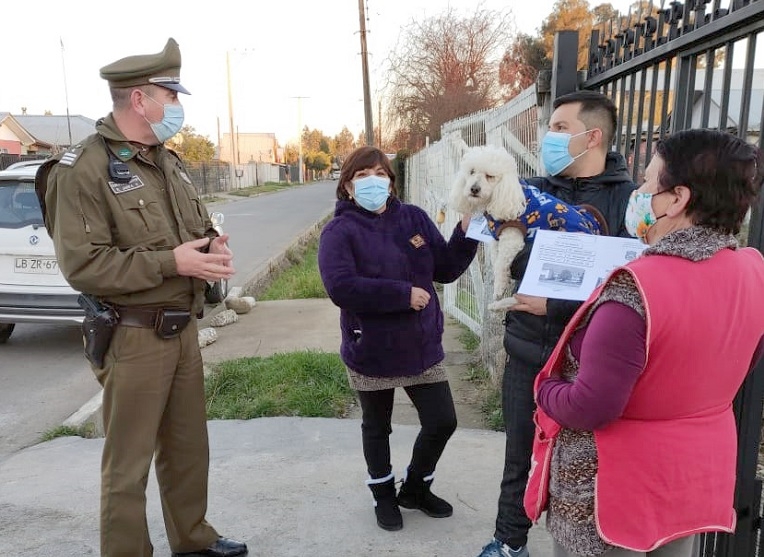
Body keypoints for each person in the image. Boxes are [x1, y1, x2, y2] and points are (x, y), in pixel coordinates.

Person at [39, 38, 247, 557]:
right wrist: (172, 262)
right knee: (127, 465)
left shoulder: (166, 161)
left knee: (186, 449)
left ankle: (193, 539)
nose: (176, 107)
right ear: (139, 100)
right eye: (169, 96)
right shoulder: (81, 168)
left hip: (182, 331)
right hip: (133, 336)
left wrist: (210, 248)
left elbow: (190, 230)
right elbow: (83, 265)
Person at [525, 128, 764, 556]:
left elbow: (590, 406)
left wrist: (544, 390)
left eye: (649, 182)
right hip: (691, 480)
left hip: (612, 493)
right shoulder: (752, 273)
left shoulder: (636, 288)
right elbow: (738, 365)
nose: (639, 191)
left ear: (677, 199)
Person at [475, 90, 638, 557]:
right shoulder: (528, 192)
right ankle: (508, 542)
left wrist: (558, 307)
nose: (549, 136)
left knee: (595, 464)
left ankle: (595, 543)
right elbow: (511, 261)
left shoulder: (631, 202)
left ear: (593, 137)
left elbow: (632, 288)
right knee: (518, 455)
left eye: (560, 128)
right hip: (527, 349)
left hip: (593, 363)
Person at [317, 146, 479, 532]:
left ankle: (416, 488)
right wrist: (401, 294)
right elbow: (341, 286)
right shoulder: (339, 231)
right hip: (371, 347)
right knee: (377, 426)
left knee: (442, 421)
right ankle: (384, 495)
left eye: (380, 173)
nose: (373, 181)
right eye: (362, 175)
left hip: (422, 347)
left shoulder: (413, 219)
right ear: (347, 186)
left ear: (391, 181)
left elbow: (446, 268)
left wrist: (465, 232)